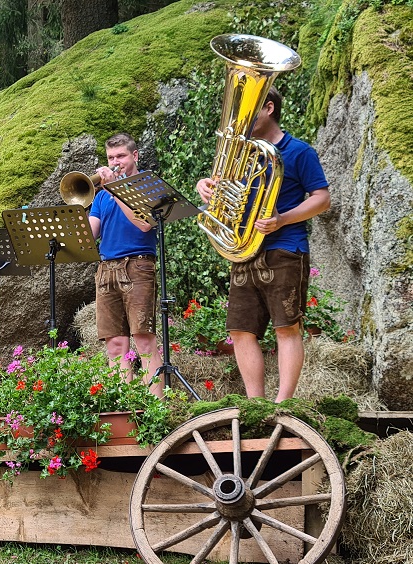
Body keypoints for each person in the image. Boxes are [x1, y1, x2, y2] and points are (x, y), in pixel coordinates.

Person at [196, 86, 330, 402]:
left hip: (284, 248)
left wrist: (282, 219)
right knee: (240, 331)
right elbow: (225, 192)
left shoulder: (300, 152)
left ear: (268, 108)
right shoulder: (241, 156)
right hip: (244, 250)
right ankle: (256, 404)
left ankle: (284, 405)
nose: (240, 119)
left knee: (286, 328)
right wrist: (206, 186)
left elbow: (322, 199)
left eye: (249, 110)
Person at [89, 132, 164, 397]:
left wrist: (115, 188)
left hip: (138, 265)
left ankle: (156, 409)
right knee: (115, 344)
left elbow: (145, 223)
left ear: (134, 155)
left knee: (144, 339)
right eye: (110, 157)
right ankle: (124, 408)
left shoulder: (146, 184)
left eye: (120, 156)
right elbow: (90, 234)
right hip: (107, 268)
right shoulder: (101, 195)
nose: (114, 162)